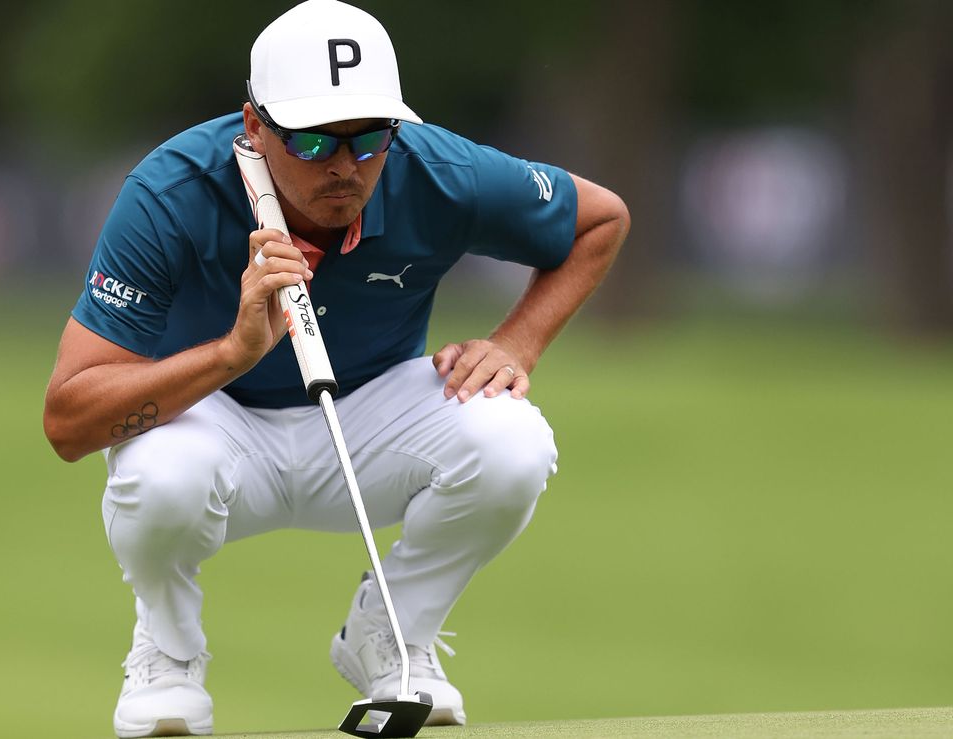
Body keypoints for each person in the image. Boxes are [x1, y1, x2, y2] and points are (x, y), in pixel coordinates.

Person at [43, 1, 629, 735]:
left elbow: (601, 219)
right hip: (213, 420)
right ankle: (167, 650)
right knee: (162, 476)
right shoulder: (172, 190)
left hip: (371, 414)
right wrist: (232, 352)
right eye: (314, 140)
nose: (346, 167)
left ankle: (392, 634)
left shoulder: (436, 171)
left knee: (513, 441)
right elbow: (68, 419)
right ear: (254, 127)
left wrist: (516, 344)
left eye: (369, 138)